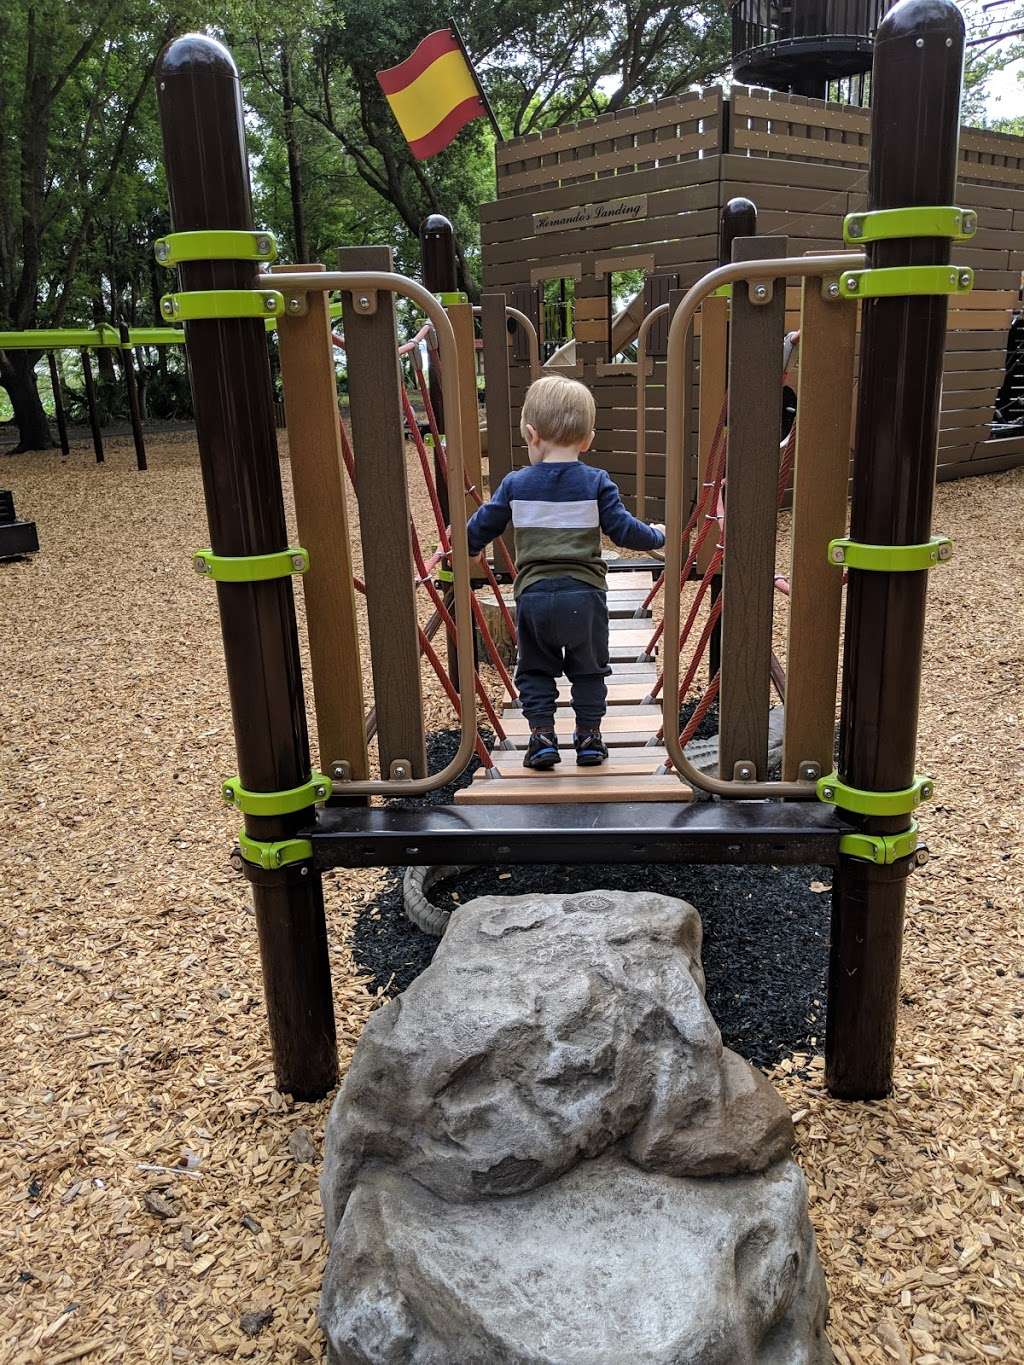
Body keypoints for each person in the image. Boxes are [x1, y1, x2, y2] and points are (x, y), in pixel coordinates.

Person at [467, 374, 666, 770]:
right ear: (587, 439)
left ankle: (541, 738)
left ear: (531, 433)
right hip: (585, 596)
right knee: (588, 669)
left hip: (534, 597)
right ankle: (590, 739)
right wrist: (657, 535)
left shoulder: (515, 484)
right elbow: (623, 529)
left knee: (535, 669)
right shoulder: (596, 482)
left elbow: (483, 524)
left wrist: (466, 550)